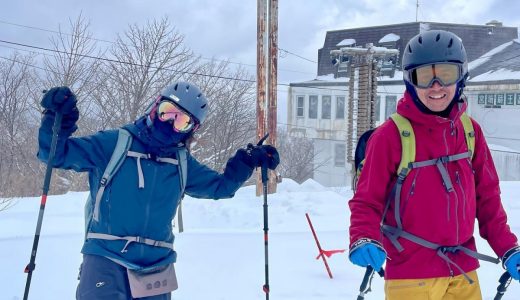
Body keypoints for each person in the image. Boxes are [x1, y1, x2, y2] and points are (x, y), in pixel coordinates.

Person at [37, 82, 280, 300]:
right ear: (155, 107)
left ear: (191, 130)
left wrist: (247, 161)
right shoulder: (116, 143)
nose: (171, 123)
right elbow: (55, 154)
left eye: (182, 121)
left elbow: (220, 187)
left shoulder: (181, 162)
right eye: (167, 112)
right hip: (106, 256)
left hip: (156, 264)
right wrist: (57, 118)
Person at [348, 30, 520, 299]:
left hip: (464, 273)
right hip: (411, 275)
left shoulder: (470, 132)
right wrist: (363, 237)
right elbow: (367, 201)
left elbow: (487, 199)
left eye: (446, 74)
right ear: (410, 81)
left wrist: (508, 247)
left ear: (461, 77)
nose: (436, 86)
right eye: (425, 76)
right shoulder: (389, 136)